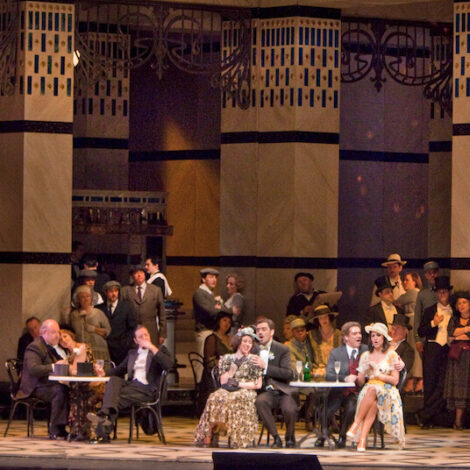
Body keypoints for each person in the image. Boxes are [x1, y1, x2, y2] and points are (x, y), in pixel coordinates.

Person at [87, 325, 174, 442]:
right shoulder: (132, 353)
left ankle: (103, 422)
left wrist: (152, 348)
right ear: (136, 340)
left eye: (146, 335)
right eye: (140, 336)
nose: (144, 338)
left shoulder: (160, 350)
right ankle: (104, 422)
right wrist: (103, 373)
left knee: (111, 397)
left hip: (148, 389)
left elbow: (169, 365)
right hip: (132, 386)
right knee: (114, 380)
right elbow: (118, 370)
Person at [194, 327, 262, 448]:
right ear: (238, 342)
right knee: (215, 396)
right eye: (244, 341)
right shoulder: (227, 358)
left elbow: (258, 384)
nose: (247, 344)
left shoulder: (254, 360)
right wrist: (231, 371)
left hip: (246, 389)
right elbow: (223, 381)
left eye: (250, 342)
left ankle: (237, 436)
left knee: (233, 398)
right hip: (228, 388)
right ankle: (211, 431)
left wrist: (239, 384)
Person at [346, 323, 405, 451]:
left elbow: (395, 380)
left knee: (373, 390)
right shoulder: (366, 355)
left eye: (378, 335)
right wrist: (361, 373)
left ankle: (356, 424)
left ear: (384, 337)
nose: (375, 338)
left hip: (387, 390)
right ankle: (362, 440)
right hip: (369, 391)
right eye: (373, 335)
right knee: (372, 401)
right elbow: (361, 382)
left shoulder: (391, 355)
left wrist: (379, 375)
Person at [316, 321, 368, 449]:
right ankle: (323, 434)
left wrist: (360, 377)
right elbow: (329, 375)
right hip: (339, 391)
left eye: (359, 333)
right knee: (327, 410)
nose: (359, 336)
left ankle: (342, 436)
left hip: (357, 392)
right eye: (354, 333)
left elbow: (372, 370)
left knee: (351, 408)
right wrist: (345, 378)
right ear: (346, 337)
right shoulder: (336, 353)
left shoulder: (366, 350)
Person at [19, 319, 70, 439]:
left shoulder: (51, 347)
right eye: (54, 332)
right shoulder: (35, 347)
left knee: (71, 389)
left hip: (48, 384)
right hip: (34, 386)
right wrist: (54, 366)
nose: (58, 336)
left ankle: (73, 426)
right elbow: (34, 369)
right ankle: (56, 428)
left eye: (58, 332)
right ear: (44, 333)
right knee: (60, 390)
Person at [416, 276, 453, 429]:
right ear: (436, 293)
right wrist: (433, 323)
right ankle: (427, 419)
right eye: (439, 292)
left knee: (444, 384)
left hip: (448, 350)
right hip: (432, 348)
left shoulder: (454, 310)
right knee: (430, 383)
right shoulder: (430, 310)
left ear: (449, 293)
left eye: (444, 291)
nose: (442, 294)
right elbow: (421, 331)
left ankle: (425, 414)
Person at [254, 317, 297, 448]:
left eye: (264, 329)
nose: (260, 332)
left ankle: (290, 436)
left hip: (283, 390)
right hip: (266, 391)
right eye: (258, 330)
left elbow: (287, 373)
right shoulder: (254, 349)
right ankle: (276, 437)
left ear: (271, 332)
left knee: (289, 409)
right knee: (260, 402)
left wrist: (266, 367)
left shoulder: (282, 349)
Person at [59, 329, 104, 441]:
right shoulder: (67, 354)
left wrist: (66, 365)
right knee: (74, 392)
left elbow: (75, 370)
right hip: (80, 385)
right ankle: (79, 430)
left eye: (65, 336)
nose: (63, 340)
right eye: (60, 340)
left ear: (71, 336)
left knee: (80, 394)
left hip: (93, 383)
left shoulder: (82, 347)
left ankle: (83, 429)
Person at [193, 268, 230, 381]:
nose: (214, 280)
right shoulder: (200, 293)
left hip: (212, 331)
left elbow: (223, 311)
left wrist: (219, 308)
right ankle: (199, 385)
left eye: (215, 277)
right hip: (204, 331)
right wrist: (219, 308)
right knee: (202, 361)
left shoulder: (211, 294)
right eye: (210, 277)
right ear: (203, 279)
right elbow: (211, 311)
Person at [121, 265, 166, 346]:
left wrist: (162, 333)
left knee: (151, 352)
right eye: (136, 273)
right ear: (132, 276)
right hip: (131, 331)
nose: (139, 275)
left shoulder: (156, 290)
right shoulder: (125, 291)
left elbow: (162, 313)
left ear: (145, 274)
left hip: (151, 330)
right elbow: (121, 313)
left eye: (141, 272)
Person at [444, 291, 470, 430]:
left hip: (468, 357)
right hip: (457, 357)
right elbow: (451, 333)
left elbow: (457, 335)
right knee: (458, 388)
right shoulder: (454, 319)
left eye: (464, 302)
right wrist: (466, 330)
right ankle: (457, 420)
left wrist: (458, 335)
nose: (461, 305)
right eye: (459, 303)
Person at [97, 280, 137, 366]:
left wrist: (126, 344)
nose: (114, 294)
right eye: (111, 291)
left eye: (116, 291)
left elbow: (132, 327)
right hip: (105, 348)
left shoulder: (127, 307)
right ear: (106, 292)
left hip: (121, 349)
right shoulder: (99, 309)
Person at [286, 317, 316, 432]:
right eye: (297, 330)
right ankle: (308, 418)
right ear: (292, 332)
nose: (300, 333)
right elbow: (294, 366)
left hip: (309, 378)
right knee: (313, 391)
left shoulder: (308, 344)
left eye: (302, 330)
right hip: (296, 380)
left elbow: (312, 361)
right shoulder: (289, 347)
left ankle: (326, 421)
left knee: (322, 390)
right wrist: (308, 372)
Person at [395, 272, 423, 392]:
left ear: (414, 282)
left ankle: (415, 380)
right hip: (411, 321)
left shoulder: (413, 293)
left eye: (407, 280)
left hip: (412, 322)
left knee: (413, 350)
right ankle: (415, 380)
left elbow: (397, 300)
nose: (404, 282)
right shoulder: (417, 293)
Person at [201, 311, 234, 406]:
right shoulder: (212, 338)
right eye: (224, 320)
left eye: (229, 322)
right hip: (215, 373)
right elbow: (209, 360)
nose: (227, 324)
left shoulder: (231, 339)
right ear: (218, 322)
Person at [70, 285, 111, 360]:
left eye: (88, 296)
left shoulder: (98, 313)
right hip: (81, 350)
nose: (86, 299)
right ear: (78, 299)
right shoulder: (73, 315)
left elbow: (107, 331)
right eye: (82, 297)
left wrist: (94, 329)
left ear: (91, 298)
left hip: (98, 350)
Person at [414, 261, 440, 371]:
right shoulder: (422, 294)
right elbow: (417, 318)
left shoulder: (446, 292)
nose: (432, 275)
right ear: (425, 275)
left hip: (443, 334)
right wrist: (418, 339)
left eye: (434, 272)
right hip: (427, 335)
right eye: (429, 273)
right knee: (429, 367)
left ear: (438, 273)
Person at [309, 305, 342, 377]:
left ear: (329, 317)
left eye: (325, 317)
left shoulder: (339, 334)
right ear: (317, 320)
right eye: (321, 318)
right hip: (319, 372)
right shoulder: (312, 335)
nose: (324, 320)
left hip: (336, 372)